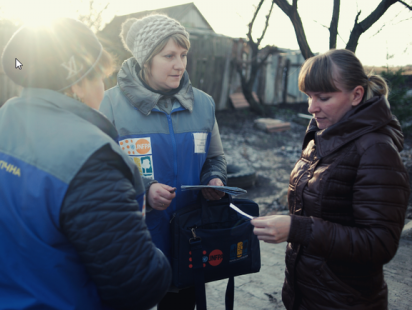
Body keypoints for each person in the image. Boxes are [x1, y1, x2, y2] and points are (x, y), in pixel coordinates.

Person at [0, 18, 171, 310]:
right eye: (100, 76)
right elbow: (138, 284)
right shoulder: (91, 160)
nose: (104, 87)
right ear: (78, 83)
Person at [251, 49, 409, 309]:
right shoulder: (322, 135)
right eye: (309, 96)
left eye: (323, 97)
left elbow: (380, 243)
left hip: (345, 300)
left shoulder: (376, 150)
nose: (311, 107)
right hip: (307, 295)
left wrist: (296, 228)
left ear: (356, 95)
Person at [100, 14, 227, 310]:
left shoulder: (203, 104)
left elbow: (215, 157)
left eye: (183, 55)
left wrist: (215, 179)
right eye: (169, 55)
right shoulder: (111, 104)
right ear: (146, 59)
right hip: (134, 240)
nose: (180, 64)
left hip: (189, 240)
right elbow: (100, 170)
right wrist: (144, 188)